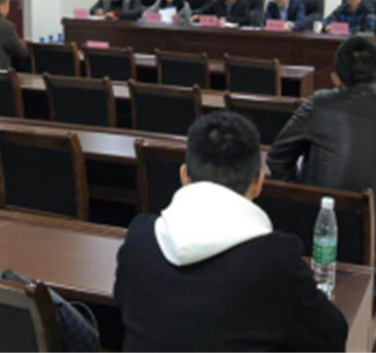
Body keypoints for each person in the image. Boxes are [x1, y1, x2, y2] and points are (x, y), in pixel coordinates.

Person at [114, 112, 349, 352]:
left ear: (184, 175)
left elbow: (123, 305)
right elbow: (332, 337)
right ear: (258, 182)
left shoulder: (139, 239)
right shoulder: (277, 261)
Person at [267, 37, 376, 296]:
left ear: (335, 77)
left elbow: (278, 158)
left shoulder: (318, 104)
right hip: (374, 264)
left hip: (310, 251)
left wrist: (301, 198)